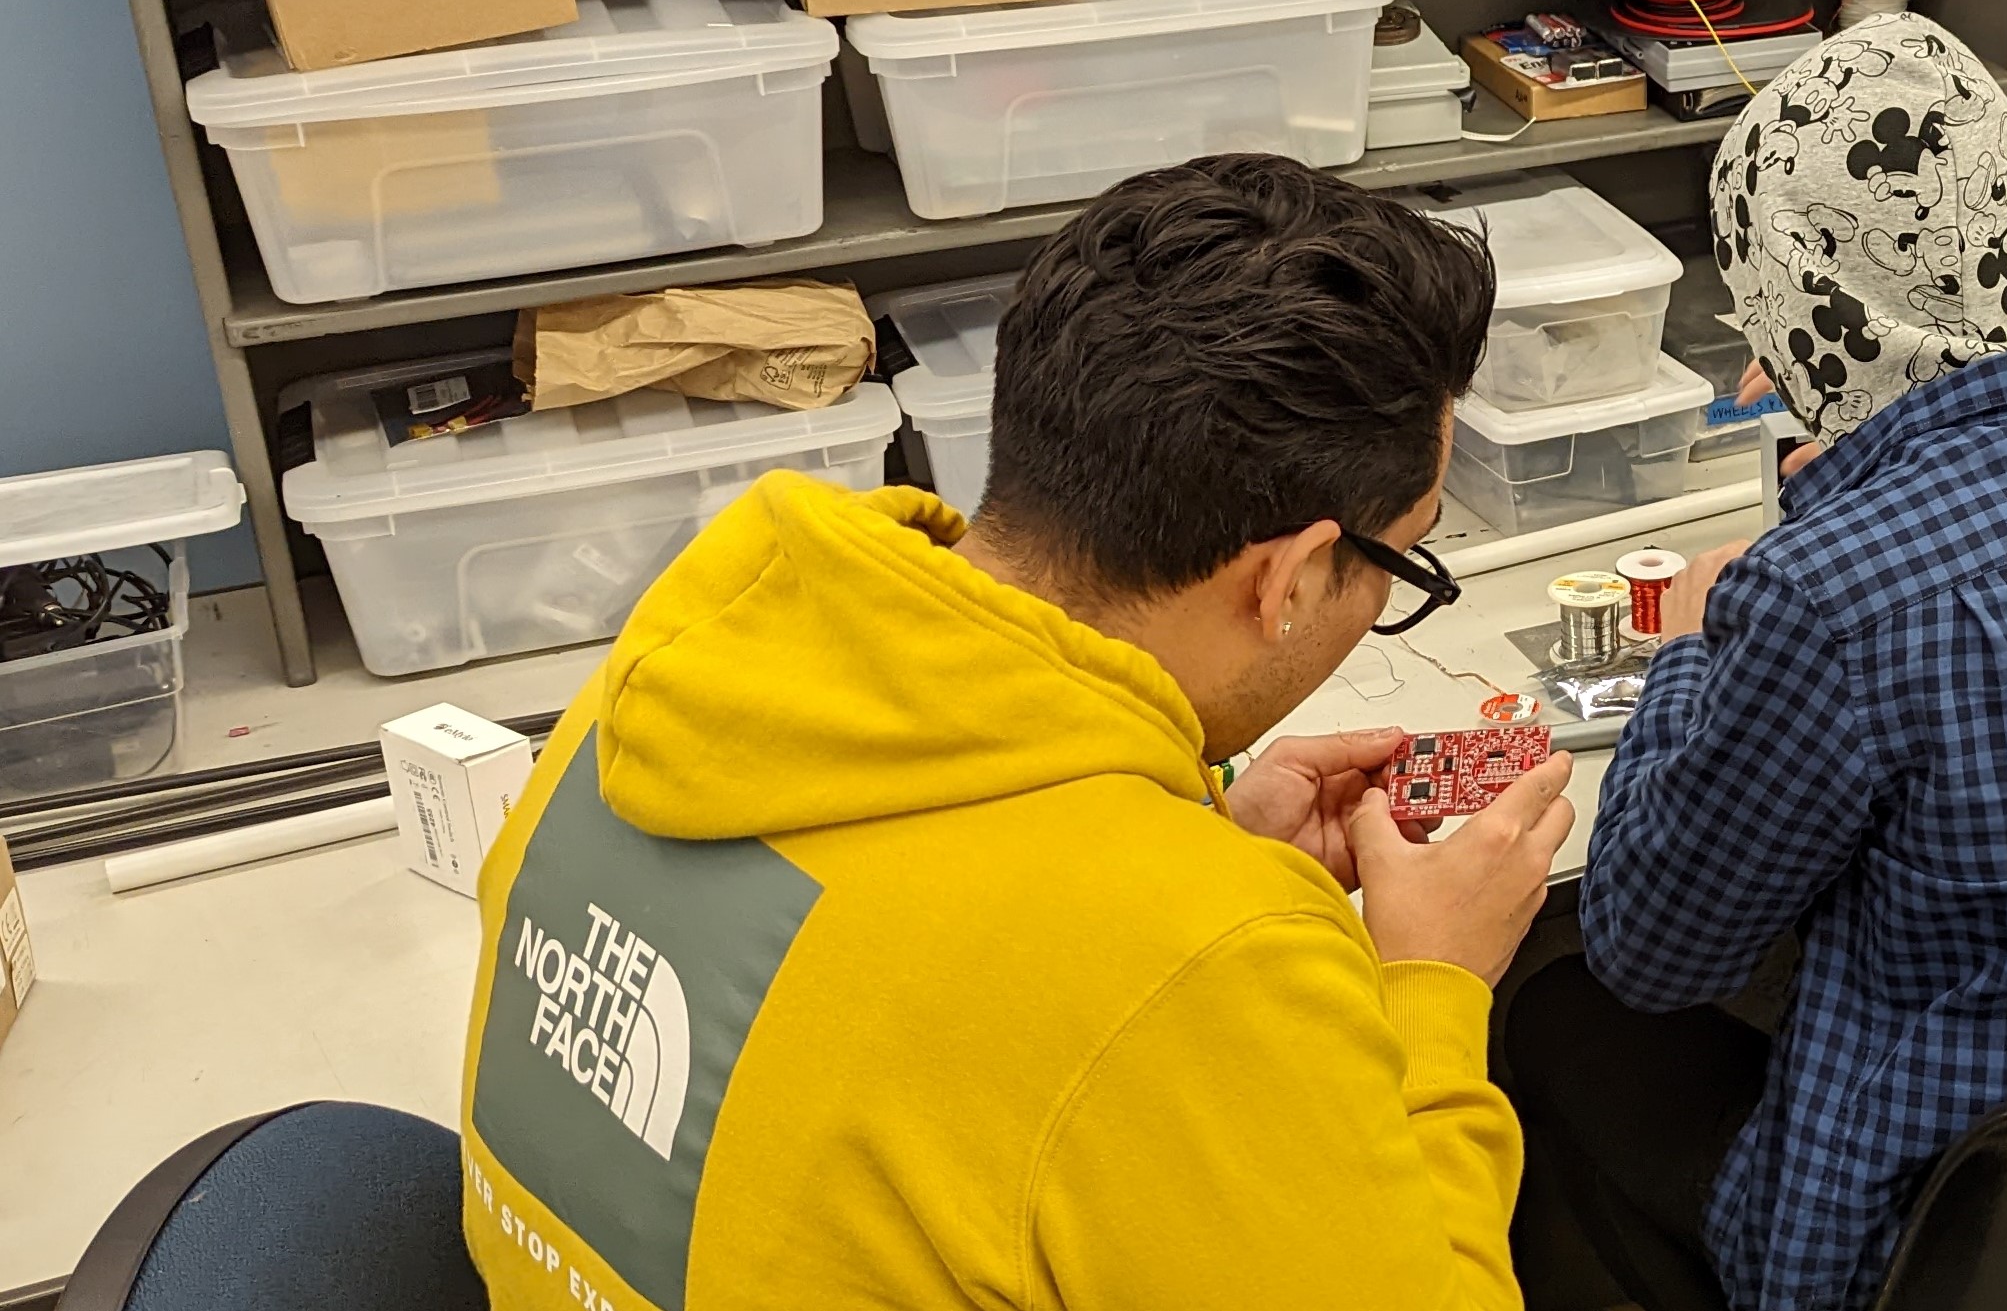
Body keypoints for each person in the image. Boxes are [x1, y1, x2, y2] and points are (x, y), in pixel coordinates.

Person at [460, 153, 1576, 1311]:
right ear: (1288, 576)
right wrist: (1430, 987)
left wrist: (1184, 836)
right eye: (1404, 557)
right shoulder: (1196, 965)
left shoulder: (685, 673)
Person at [1507, 15, 2007, 1311]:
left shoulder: (1829, 603)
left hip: (1920, 1254)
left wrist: (1696, 644)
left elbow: (1656, 951)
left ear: (1795, 313)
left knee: (1561, 1014)